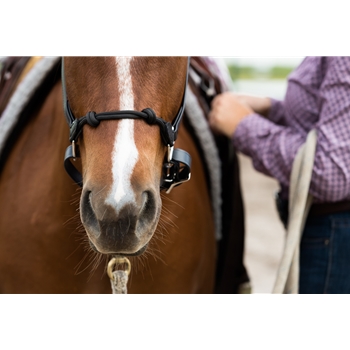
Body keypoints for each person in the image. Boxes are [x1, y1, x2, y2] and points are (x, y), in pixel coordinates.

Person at [208, 57, 350, 294]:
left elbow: (331, 173)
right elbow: (327, 118)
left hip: (333, 235)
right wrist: (271, 108)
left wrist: (243, 125)